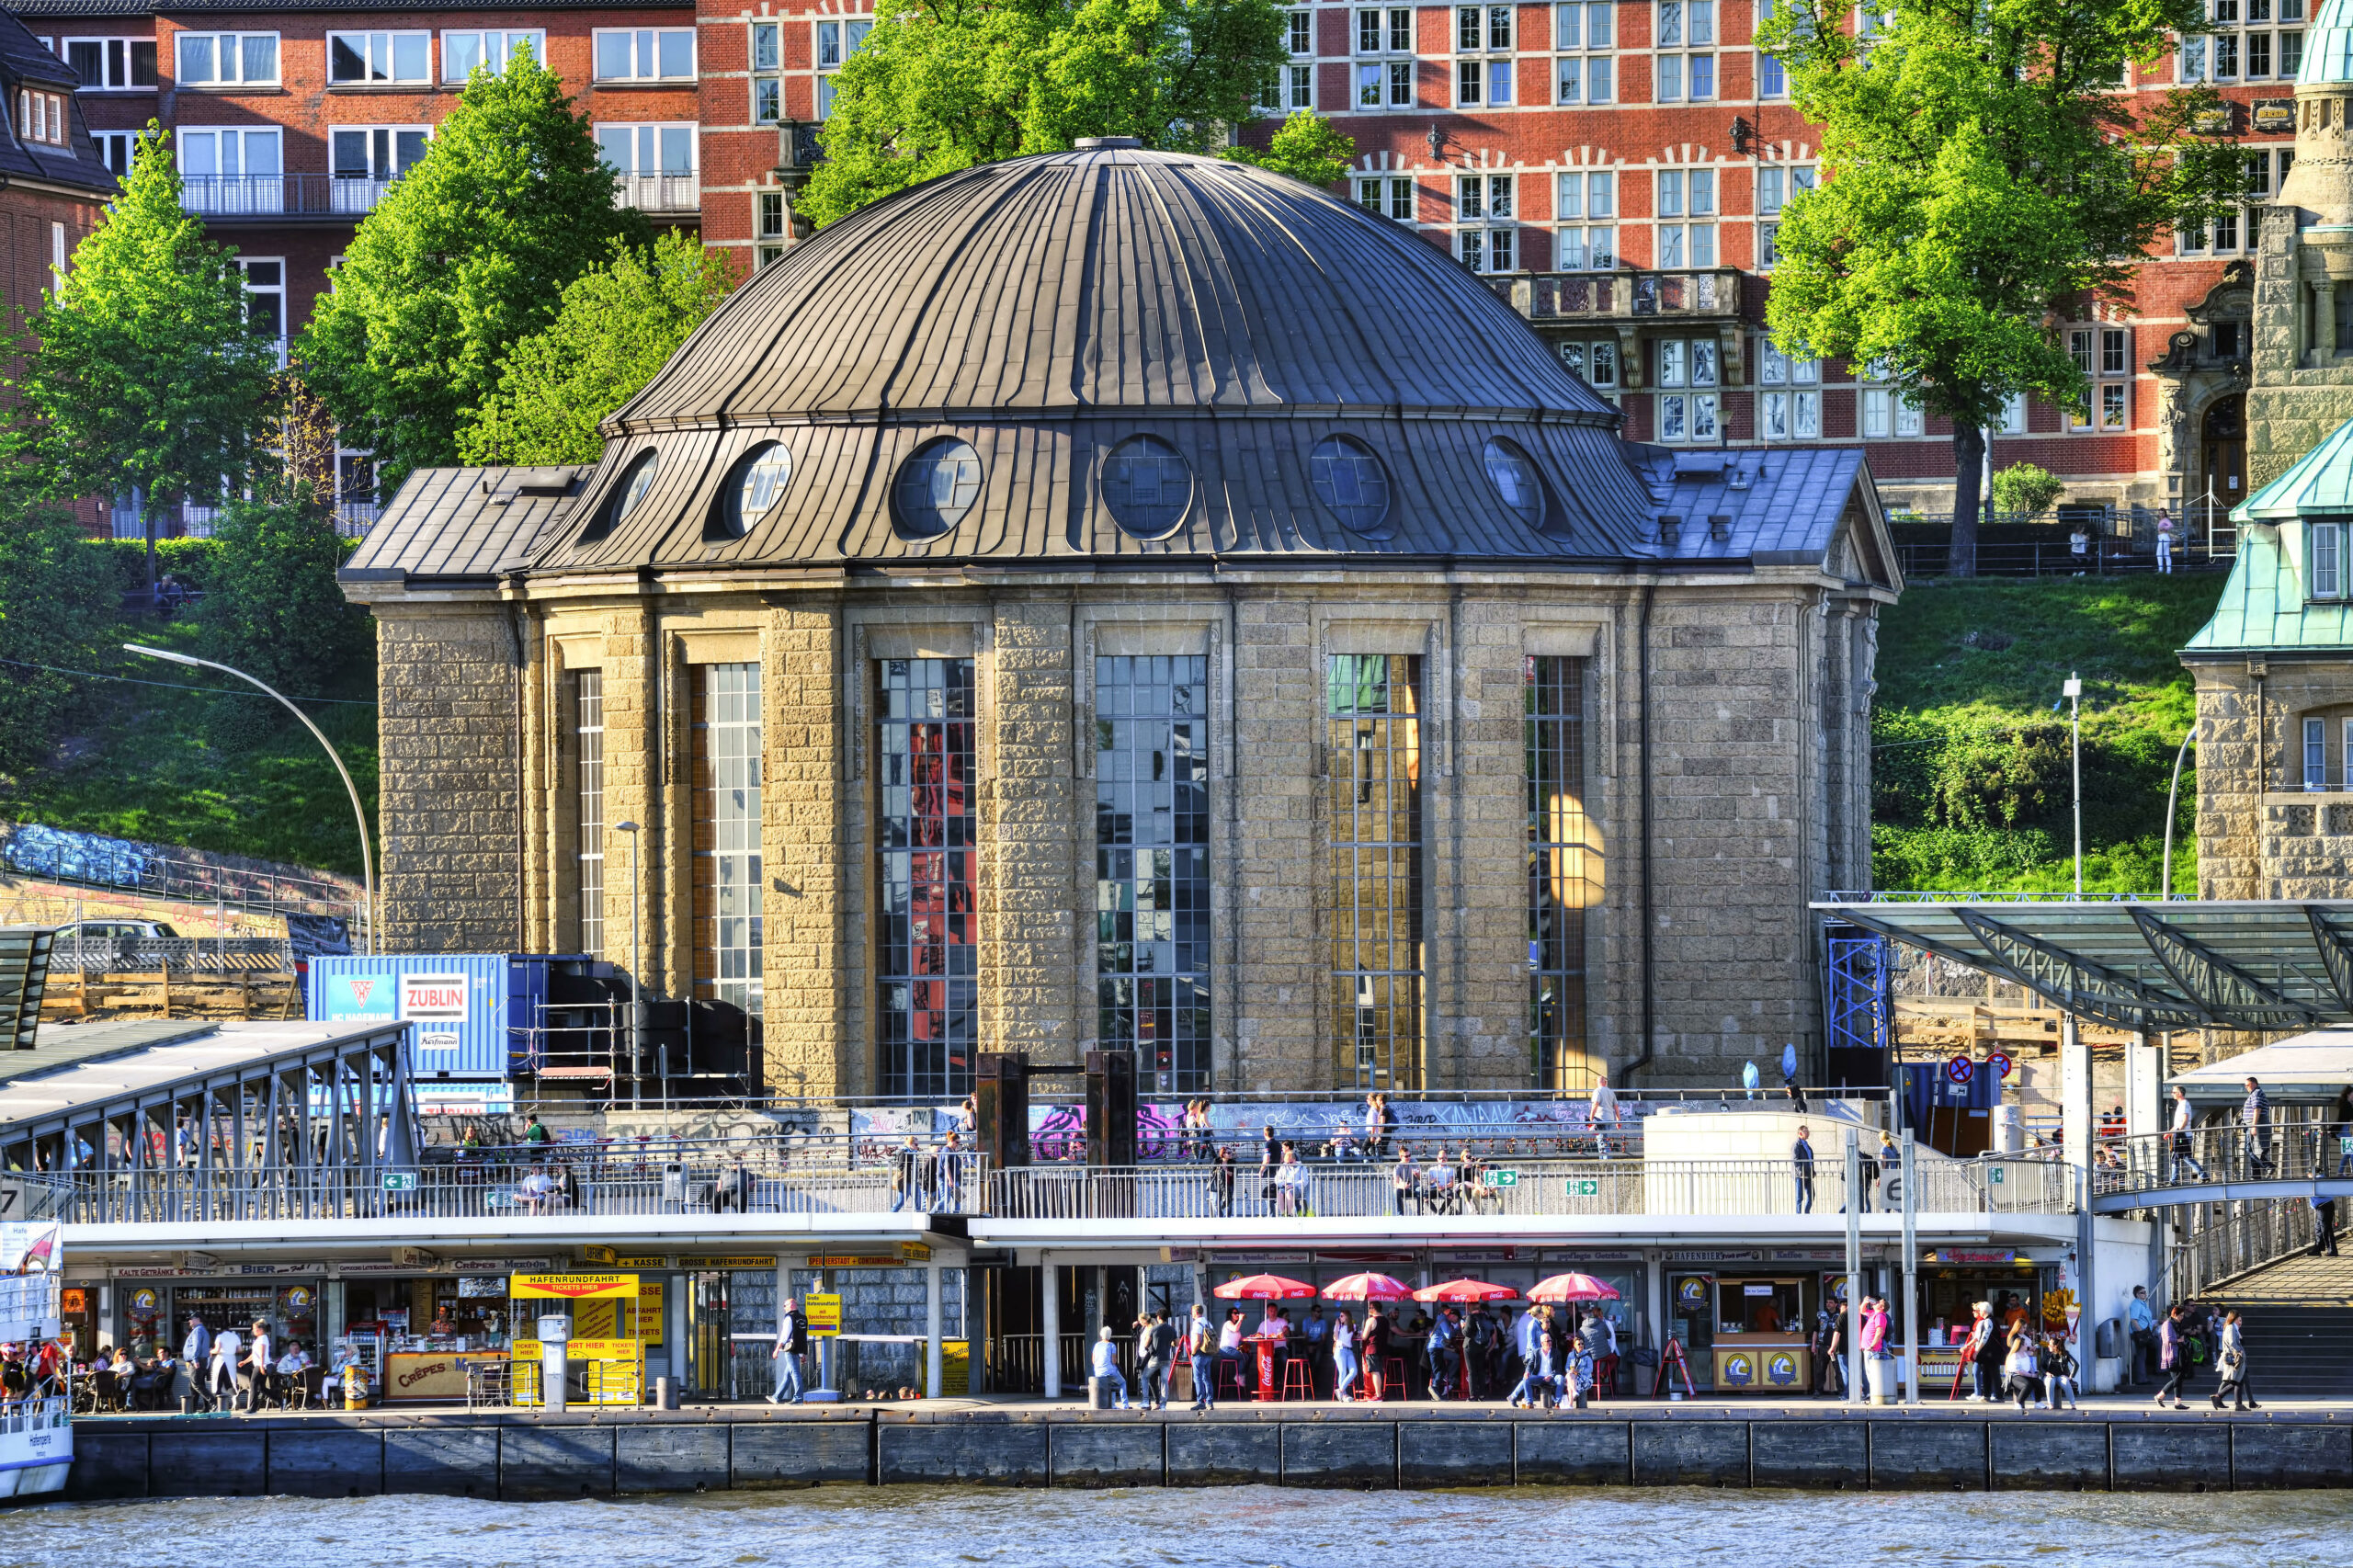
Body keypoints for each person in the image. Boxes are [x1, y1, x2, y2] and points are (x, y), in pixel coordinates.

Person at [2211, 1310, 2257, 1411]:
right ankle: (2219, 1397)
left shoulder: (2232, 1328)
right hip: (2234, 1358)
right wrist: (2239, 1350)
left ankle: (2238, 1404)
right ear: (2234, 1319)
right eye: (2238, 1320)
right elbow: (2232, 1342)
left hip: (2235, 1358)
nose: (2240, 1322)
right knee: (2236, 1381)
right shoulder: (2231, 1327)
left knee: (2238, 1381)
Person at [769, 1295, 807, 1403]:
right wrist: (803, 1353)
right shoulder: (803, 1318)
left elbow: (784, 1336)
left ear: (791, 1306)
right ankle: (777, 1397)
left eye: (785, 1305)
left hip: (790, 1349)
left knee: (795, 1373)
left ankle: (798, 1398)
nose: (784, 1307)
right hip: (799, 1348)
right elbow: (804, 1336)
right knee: (788, 1374)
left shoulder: (789, 1318)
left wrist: (777, 1349)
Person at [2167, 1085, 2207, 1183]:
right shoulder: (2181, 1104)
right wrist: (2169, 1133)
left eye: (2174, 1092)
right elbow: (2178, 1123)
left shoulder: (2184, 1104)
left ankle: (2203, 1176)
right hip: (2180, 1134)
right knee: (2177, 1157)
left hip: (2183, 1136)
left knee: (2184, 1157)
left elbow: (2185, 1119)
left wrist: (2178, 1131)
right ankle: (2174, 1180)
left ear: (2179, 1093)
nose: (2172, 1094)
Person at [2155, 1304, 2192, 1410]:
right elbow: (2168, 1339)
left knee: (2178, 1378)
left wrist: (2181, 1338)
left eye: (2183, 1316)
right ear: (2174, 1315)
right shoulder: (2168, 1324)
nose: (2182, 1318)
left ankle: (2177, 1402)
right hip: (2171, 1354)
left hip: (2178, 1353)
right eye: (2180, 1316)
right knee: (2177, 1378)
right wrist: (2179, 1340)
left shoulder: (2177, 1324)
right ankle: (2160, 1396)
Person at [2003, 1325, 2042, 1411]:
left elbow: (2029, 1366)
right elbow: (2019, 1371)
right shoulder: (2014, 1356)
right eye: (2025, 1344)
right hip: (2015, 1376)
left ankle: (2038, 1402)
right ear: (2020, 1346)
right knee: (2027, 1386)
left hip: (2026, 1374)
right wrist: (2031, 1376)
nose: (2027, 1346)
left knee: (2039, 1383)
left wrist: (2034, 1373)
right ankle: (2018, 1403)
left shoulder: (2025, 1354)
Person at [1089, 1325, 1130, 1410]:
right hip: (1110, 1371)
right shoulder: (1112, 1345)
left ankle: (1113, 1405)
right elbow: (1114, 1361)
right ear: (1110, 1335)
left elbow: (1093, 1361)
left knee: (1111, 1383)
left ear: (1101, 1335)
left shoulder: (1096, 1345)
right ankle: (1125, 1405)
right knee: (1122, 1382)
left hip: (1098, 1372)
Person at [1427, 1307, 1461, 1401]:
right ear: (1453, 1315)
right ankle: (1434, 1387)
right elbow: (1448, 1335)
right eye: (1456, 1319)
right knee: (1438, 1370)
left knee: (1441, 1369)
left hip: (1437, 1348)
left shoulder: (1441, 1319)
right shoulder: (1444, 1320)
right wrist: (1458, 1328)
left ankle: (1436, 1393)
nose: (1456, 1321)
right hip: (1435, 1348)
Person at [2127, 1286, 2158, 1386]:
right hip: (2140, 1333)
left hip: (2145, 1332)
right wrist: (2141, 1333)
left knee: (2145, 1354)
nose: (2144, 1294)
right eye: (2142, 1293)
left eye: (2145, 1292)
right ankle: (2141, 1379)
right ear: (2137, 1294)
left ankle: (2144, 1376)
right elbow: (2134, 1320)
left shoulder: (2143, 1304)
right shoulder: (2136, 1304)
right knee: (2141, 1355)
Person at [2243, 1076, 2272, 1177]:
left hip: (2254, 1124)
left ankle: (2268, 1166)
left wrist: (2254, 1126)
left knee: (2252, 1149)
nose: (2246, 1087)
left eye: (2248, 1085)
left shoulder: (2256, 1093)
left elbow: (2257, 1109)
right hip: (2251, 1124)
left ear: (2254, 1084)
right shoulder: (2256, 1093)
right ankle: (2256, 1175)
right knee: (2252, 1149)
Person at [1188, 1312, 1218, 1411]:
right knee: (1207, 1378)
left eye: (1192, 1312)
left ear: (1196, 1312)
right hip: (1208, 1353)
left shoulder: (1197, 1324)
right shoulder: (1208, 1323)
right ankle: (1209, 1402)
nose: (1191, 1314)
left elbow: (1198, 1340)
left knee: (1198, 1379)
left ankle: (1200, 1402)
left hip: (1199, 1353)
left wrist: (1193, 1352)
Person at [244, 1319, 274, 1414]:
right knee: (261, 1388)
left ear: (261, 1329)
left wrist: (261, 1366)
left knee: (253, 1384)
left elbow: (262, 1353)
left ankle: (252, 1408)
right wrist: (244, 1362)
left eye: (255, 1329)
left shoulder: (263, 1338)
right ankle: (279, 1400)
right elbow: (254, 1354)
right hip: (259, 1364)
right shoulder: (259, 1339)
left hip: (261, 1365)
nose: (253, 1331)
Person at [209, 1324, 241, 1411]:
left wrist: (210, 1351)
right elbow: (239, 1350)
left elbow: (217, 1349)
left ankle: (217, 1405)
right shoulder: (235, 1336)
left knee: (217, 1383)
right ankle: (234, 1397)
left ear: (222, 1330)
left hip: (221, 1360)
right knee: (229, 1383)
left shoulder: (220, 1336)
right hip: (231, 1359)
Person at [1333, 1309, 1361, 1401]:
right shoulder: (1339, 1326)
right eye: (1340, 1316)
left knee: (1354, 1371)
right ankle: (1344, 1395)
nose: (1340, 1318)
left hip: (1349, 1350)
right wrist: (1337, 1325)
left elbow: (1355, 1335)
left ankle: (1340, 1391)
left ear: (1347, 1317)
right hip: (1340, 1349)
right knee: (1343, 1372)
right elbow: (1335, 1338)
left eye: (1342, 1316)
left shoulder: (1352, 1326)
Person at [1591, 1071, 1619, 1159]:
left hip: (1600, 1119)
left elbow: (1595, 1104)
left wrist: (1591, 1117)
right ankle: (1604, 1160)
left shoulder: (1597, 1091)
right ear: (1605, 1082)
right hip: (1610, 1118)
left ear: (1597, 1083)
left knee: (1601, 1140)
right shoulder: (1611, 1092)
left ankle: (1606, 1161)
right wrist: (1618, 1120)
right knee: (1605, 1139)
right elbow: (1616, 1107)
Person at [1793, 1125, 1816, 1214]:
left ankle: (1806, 1212)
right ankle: (1798, 1214)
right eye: (1806, 1131)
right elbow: (1795, 1160)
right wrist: (1800, 1172)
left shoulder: (1807, 1146)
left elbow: (1810, 1160)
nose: (1808, 1133)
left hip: (1808, 1174)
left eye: (1808, 1131)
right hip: (1800, 1175)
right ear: (1800, 1133)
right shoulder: (1796, 1145)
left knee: (1811, 1195)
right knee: (1800, 1197)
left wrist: (1812, 1171)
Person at [1392, 1146, 1420, 1216]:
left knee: (1420, 1190)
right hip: (1404, 1188)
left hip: (1415, 1187)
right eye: (1406, 1156)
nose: (1408, 1158)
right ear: (1401, 1157)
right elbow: (1395, 1183)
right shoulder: (1398, 1166)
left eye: (1409, 1155)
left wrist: (1417, 1174)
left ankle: (1420, 1214)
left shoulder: (1414, 1161)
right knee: (1396, 1191)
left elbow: (1420, 1178)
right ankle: (1400, 1214)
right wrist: (1403, 1186)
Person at [1211, 1145, 1236, 1217]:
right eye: (1228, 1153)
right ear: (1223, 1154)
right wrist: (1218, 1170)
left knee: (1228, 1202)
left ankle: (1228, 1217)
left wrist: (1225, 1170)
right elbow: (1212, 1173)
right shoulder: (1216, 1161)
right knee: (1215, 1202)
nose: (1230, 1154)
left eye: (1231, 1152)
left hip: (1229, 1184)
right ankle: (1220, 1216)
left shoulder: (1232, 1162)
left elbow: (1232, 1174)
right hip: (1218, 1184)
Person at [2155, 509, 2177, 574]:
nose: (2161, 514)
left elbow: (2171, 525)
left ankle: (2161, 570)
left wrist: (2164, 528)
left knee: (2159, 554)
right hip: (2163, 537)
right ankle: (2168, 571)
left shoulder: (2165, 519)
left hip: (2164, 538)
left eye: (2162, 513)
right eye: (2160, 513)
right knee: (2166, 555)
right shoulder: (2161, 520)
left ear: (2165, 514)